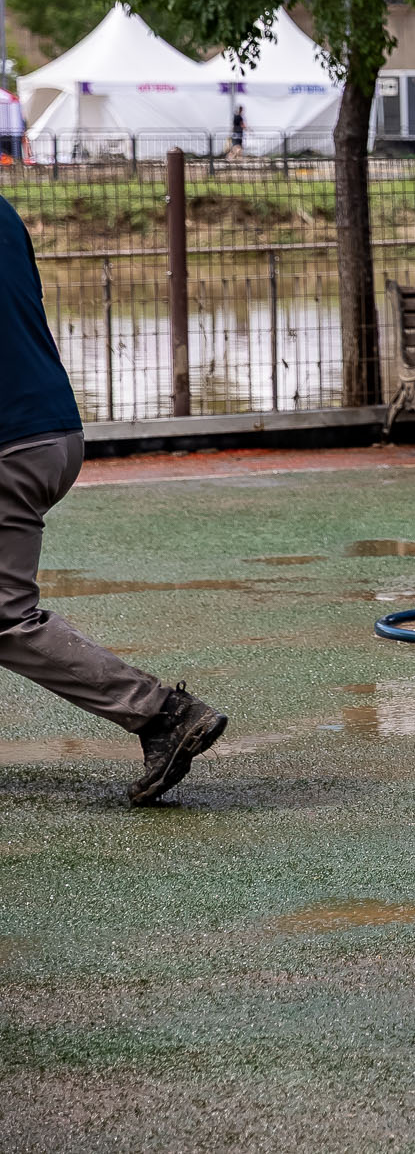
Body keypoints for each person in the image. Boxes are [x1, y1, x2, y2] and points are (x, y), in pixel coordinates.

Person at [0, 194, 227, 803]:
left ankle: (161, 714)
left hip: (7, 442)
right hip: (52, 429)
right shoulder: (4, 211)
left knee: (4, 615)